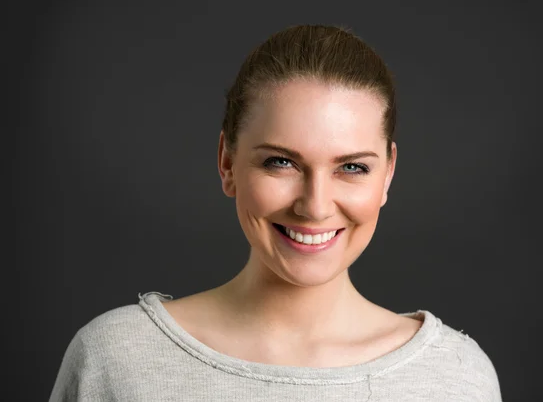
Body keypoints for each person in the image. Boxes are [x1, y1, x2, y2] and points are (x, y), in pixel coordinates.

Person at [50, 24, 502, 401]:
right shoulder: (116, 359)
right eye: (280, 162)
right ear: (227, 161)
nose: (315, 205)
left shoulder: (457, 377)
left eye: (352, 167)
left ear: (387, 175)